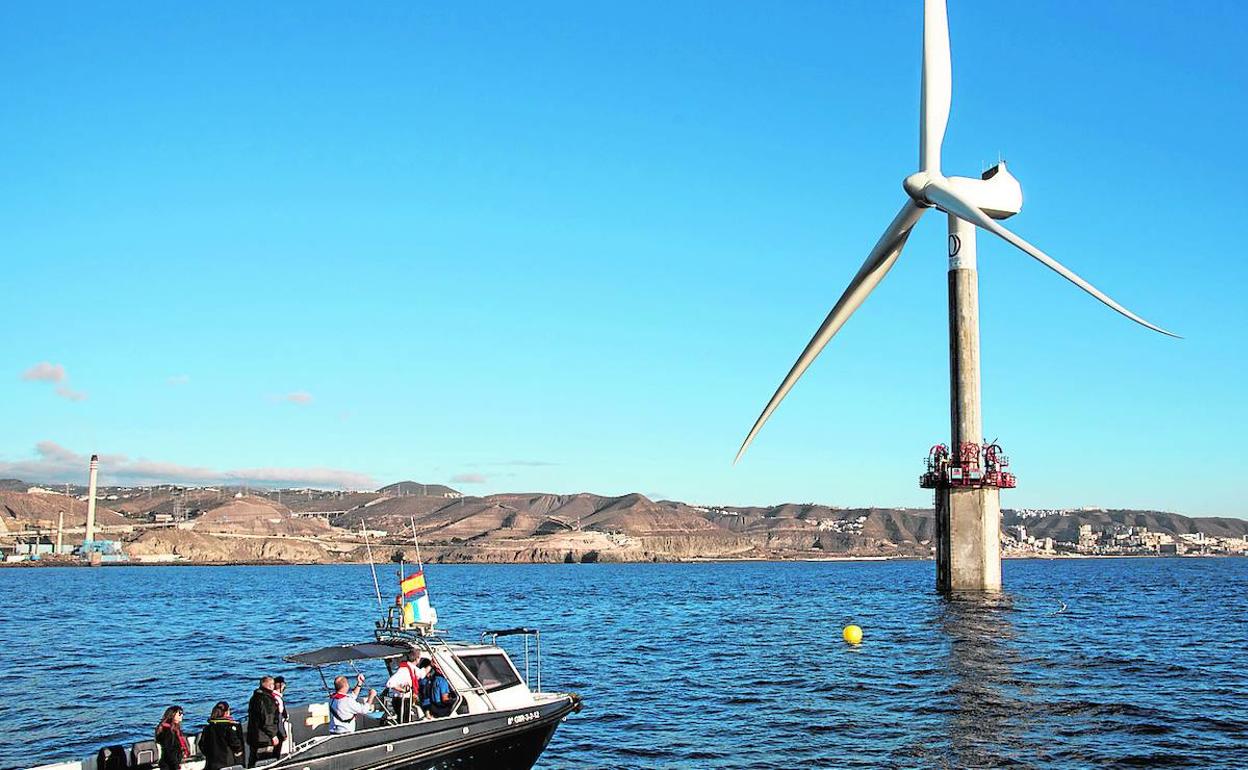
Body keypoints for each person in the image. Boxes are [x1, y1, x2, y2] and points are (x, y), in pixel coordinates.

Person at [384, 650, 428, 722]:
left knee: (405, 718)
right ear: (417, 658)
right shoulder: (404, 670)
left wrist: (430, 665)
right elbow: (389, 683)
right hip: (402, 700)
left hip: (406, 700)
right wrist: (402, 689)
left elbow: (422, 674)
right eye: (419, 658)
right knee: (404, 720)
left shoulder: (412, 668)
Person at [246, 676, 280, 767]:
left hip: (254, 736)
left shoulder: (255, 697)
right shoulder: (266, 699)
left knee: (253, 761)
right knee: (265, 761)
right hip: (264, 738)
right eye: (273, 684)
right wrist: (273, 735)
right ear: (269, 686)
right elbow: (267, 719)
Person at [200, 702, 244, 770]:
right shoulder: (229, 727)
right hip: (227, 763)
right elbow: (235, 743)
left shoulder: (207, 728)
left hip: (212, 763)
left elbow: (201, 745)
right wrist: (239, 751)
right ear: (226, 713)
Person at [271, 677, 290, 755]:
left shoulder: (270, 696)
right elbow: (278, 718)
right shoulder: (277, 699)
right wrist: (283, 734)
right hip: (276, 731)